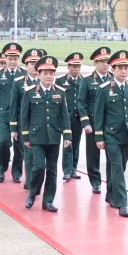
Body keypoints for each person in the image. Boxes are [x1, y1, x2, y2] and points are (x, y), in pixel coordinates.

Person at [93, 51, 128, 218]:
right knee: (117, 168)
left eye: (126, 68)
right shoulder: (105, 89)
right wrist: (99, 137)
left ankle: (111, 194)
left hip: (127, 135)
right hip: (111, 136)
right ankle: (122, 202)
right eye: (120, 68)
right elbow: (98, 114)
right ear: (112, 70)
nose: (123, 71)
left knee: (120, 166)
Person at [20, 55, 72, 211]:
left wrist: (67, 136)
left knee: (52, 169)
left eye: (51, 73)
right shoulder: (29, 92)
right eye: (45, 73)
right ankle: (32, 193)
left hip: (54, 137)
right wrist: (26, 137)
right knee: (39, 166)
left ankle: (48, 200)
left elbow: (64, 116)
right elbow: (24, 116)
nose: (49, 76)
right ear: (39, 74)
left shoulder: (60, 92)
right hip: (36, 137)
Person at [0, 42, 26, 183]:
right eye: (10, 58)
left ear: (18, 58)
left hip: (19, 115)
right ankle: (1, 168)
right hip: (3, 114)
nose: (12, 61)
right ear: (5, 58)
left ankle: (16, 172)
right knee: (3, 141)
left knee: (19, 145)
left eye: (15, 58)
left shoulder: (24, 74)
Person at [77, 46, 113, 194]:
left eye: (107, 61)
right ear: (95, 63)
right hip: (92, 123)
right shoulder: (87, 81)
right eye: (102, 61)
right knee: (93, 154)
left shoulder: (113, 78)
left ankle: (112, 181)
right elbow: (81, 102)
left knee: (112, 154)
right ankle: (95, 181)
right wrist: (85, 123)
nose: (105, 64)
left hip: (110, 124)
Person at [10, 49, 43, 191]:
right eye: (31, 63)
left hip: (40, 126)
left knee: (39, 157)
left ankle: (33, 181)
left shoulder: (45, 82)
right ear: (26, 65)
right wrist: (13, 128)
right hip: (24, 125)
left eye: (36, 63)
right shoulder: (18, 82)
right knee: (28, 155)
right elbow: (13, 106)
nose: (34, 66)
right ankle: (30, 183)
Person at [57, 52, 84, 181]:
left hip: (79, 118)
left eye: (78, 66)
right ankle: (66, 170)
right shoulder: (61, 81)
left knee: (76, 143)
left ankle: (74, 168)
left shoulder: (83, 81)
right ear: (68, 67)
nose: (76, 69)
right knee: (67, 143)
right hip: (66, 118)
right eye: (74, 66)